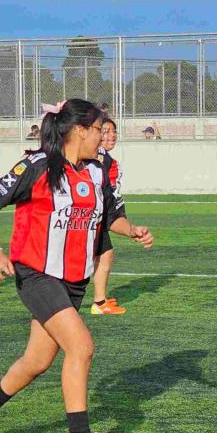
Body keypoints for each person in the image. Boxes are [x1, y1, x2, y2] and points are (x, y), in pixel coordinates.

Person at [0, 99, 154, 433]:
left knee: (37, 361)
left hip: (74, 281)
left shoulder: (100, 172)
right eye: (100, 129)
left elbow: (111, 217)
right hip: (36, 273)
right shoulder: (37, 166)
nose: (105, 136)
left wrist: (131, 230)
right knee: (82, 346)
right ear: (80, 130)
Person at [90, 118, 127, 315]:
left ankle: (100, 300)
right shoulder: (98, 156)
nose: (111, 135)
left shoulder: (105, 157)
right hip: (94, 215)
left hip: (98, 214)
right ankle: (98, 302)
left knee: (104, 254)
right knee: (103, 255)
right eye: (105, 131)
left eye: (114, 131)